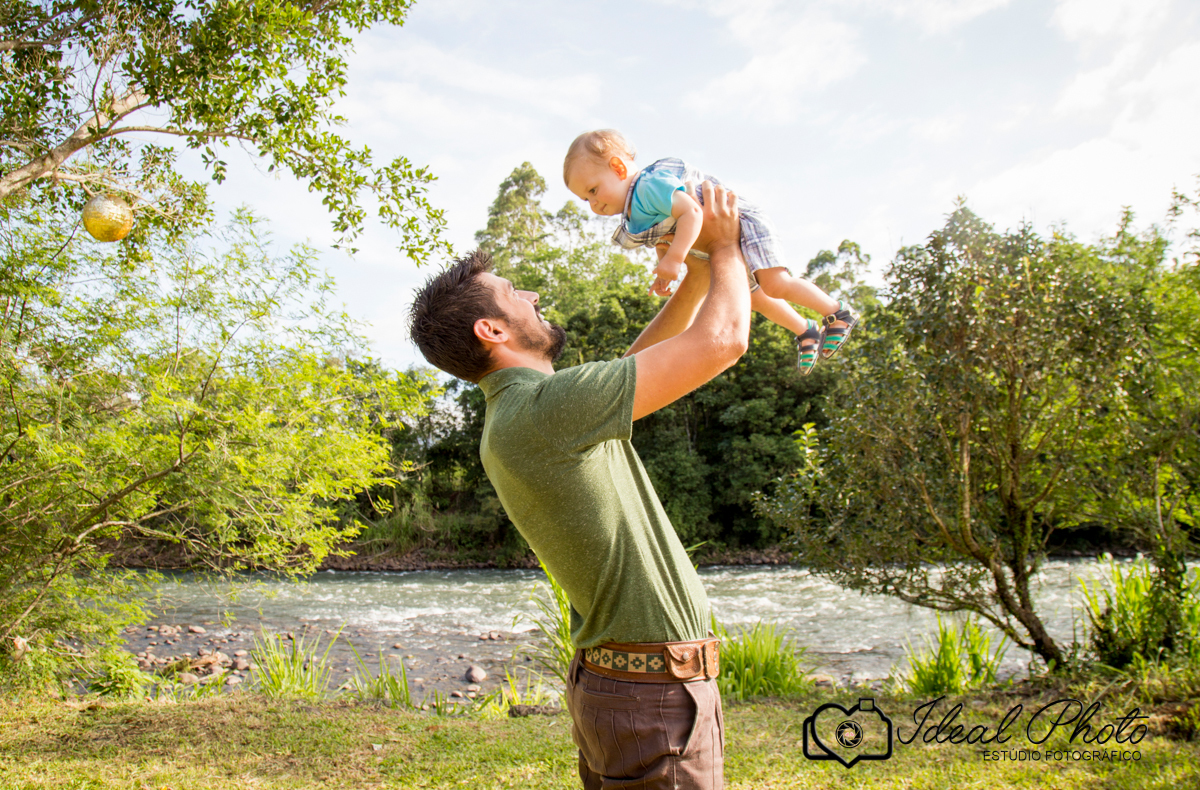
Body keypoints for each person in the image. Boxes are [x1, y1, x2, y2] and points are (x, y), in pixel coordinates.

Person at [408, 182, 750, 789]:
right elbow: (723, 343)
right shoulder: (546, 409)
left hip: (625, 688)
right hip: (653, 695)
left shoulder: (523, 415)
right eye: (515, 294)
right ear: (492, 330)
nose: (533, 295)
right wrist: (726, 250)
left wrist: (693, 275)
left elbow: (638, 365)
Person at [563, 128, 859, 375]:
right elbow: (664, 239)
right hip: (717, 241)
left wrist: (675, 261)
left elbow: (691, 213)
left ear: (618, 168)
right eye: (584, 200)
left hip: (741, 222)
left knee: (775, 283)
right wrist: (665, 268)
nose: (593, 204)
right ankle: (805, 330)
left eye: (593, 190)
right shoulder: (633, 213)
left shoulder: (647, 186)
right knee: (753, 297)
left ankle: (837, 312)